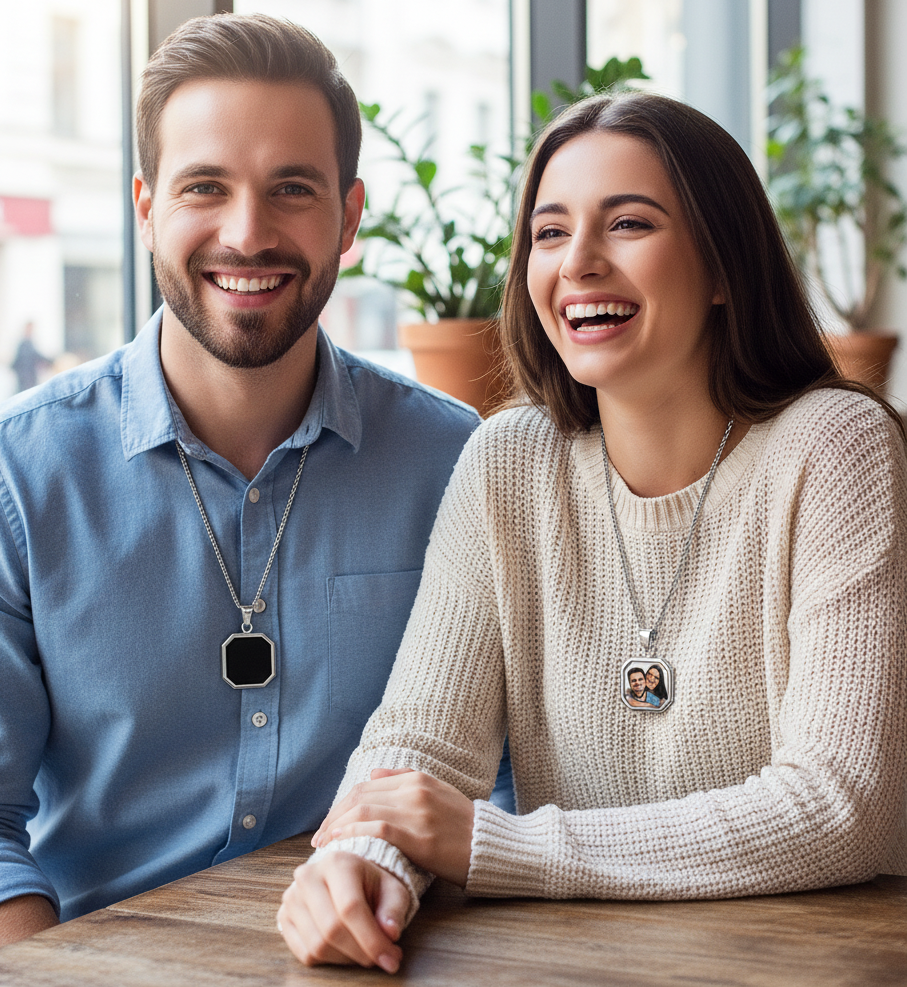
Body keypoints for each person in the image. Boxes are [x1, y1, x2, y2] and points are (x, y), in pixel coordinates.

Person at [0, 13, 506, 967]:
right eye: (204, 188)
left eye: (291, 189)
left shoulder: (453, 459)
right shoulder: (5, 477)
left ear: (349, 215)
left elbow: (499, 785)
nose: (246, 233)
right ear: (145, 207)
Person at [277, 91, 907, 974]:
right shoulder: (508, 462)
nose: (579, 263)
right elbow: (420, 744)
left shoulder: (834, 447)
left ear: (724, 266)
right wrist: (361, 864)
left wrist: (499, 849)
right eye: (549, 232)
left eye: (630, 224)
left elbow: (842, 807)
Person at [10, 322, 50, 391]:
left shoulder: (29, 343)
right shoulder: (24, 344)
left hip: (28, 376)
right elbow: (35, 355)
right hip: (26, 376)